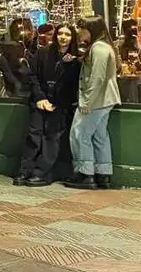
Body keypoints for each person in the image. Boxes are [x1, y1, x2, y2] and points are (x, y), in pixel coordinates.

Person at [16, 23, 80, 186]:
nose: (63, 37)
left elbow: (72, 85)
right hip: (40, 100)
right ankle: (24, 171)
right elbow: (33, 77)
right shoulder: (44, 53)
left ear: (72, 37)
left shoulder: (75, 58)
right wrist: (40, 98)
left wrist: (69, 65)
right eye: (60, 34)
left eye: (67, 34)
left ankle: (41, 172)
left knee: (52, 137)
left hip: (59, 103)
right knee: (34, 135)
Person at [66, 16, 121, 189]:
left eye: (82, 29)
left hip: (97, 99)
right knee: (99, 136)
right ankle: (103, 174)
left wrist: (86, 102)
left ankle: (85, 174)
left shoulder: (98, 48)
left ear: (92, 30)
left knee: (79, 133)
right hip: (105, 98)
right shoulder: (103, 47)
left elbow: (97, 78)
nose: (79, 33)